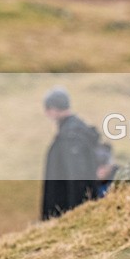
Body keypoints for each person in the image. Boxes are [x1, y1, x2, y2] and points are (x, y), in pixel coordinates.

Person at [41, 86, 100, 221]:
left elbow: (77, 177)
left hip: (67, 210)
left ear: (53, 109)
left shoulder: (70, 137)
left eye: (47, 108)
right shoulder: (76, 131)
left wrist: (76, 214)